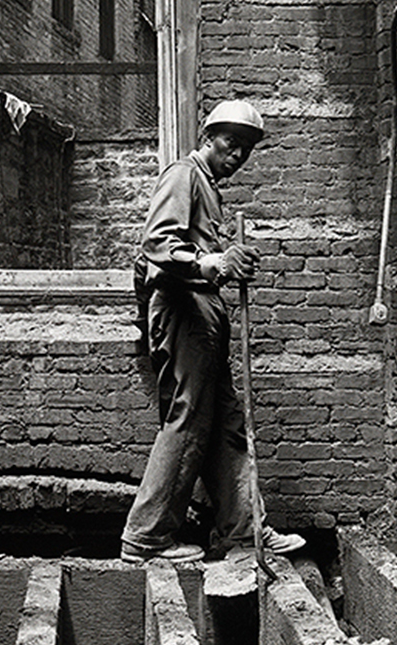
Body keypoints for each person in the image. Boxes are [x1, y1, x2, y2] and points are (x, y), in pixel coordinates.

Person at [121, 100, 307, 564]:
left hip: (204, 312)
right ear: (209, 137)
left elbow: (202, 252)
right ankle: (146, 537)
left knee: (226, 424)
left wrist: (226, 259)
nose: (238, 155)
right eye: (231, 143)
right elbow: (158, 244)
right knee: (190, 419)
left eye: (245, 149)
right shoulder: (183, 175)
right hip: (183, 309)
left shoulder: (208, 187)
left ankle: (243, 531)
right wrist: (212, 262)